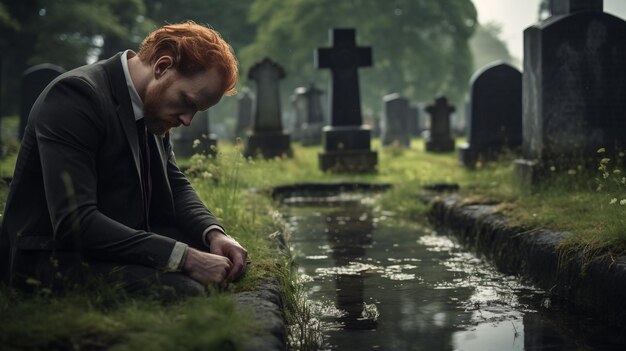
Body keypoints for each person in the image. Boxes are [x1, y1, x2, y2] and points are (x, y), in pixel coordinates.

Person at [0, 21, 248, 298]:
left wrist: (214, 233)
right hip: (51, 256)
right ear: (162, 67)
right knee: (185, 289)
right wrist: (183, 257)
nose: (188, 120)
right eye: (188, 102)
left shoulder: (154, 107)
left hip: (109, 245)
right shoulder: (76, 96)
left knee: (225, 264)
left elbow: (175, 184)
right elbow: (75, 222)